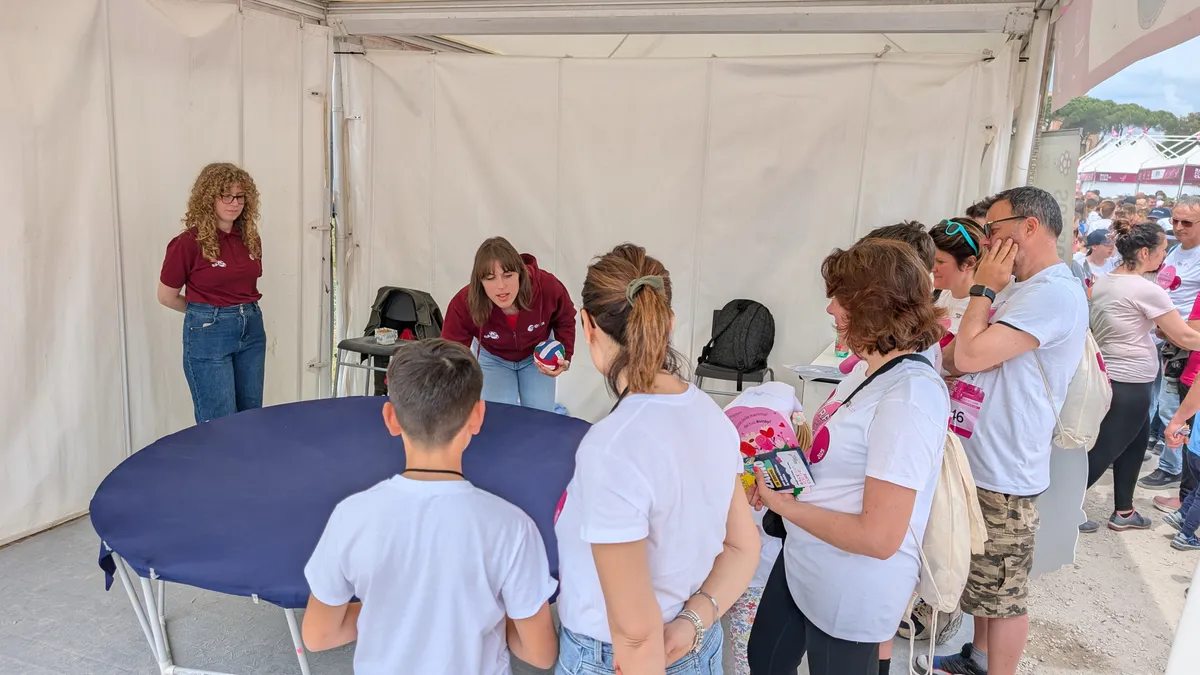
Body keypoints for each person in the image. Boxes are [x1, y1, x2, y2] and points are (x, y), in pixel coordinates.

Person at [553, 243, 760, 675]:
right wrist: (693, 621)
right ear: (668, 322)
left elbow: (635, 633)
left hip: (618, 659)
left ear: (587, 324)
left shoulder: (611, 446)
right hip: (692, 647)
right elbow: (742, 546)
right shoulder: (713, 416)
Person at [747, 239, 949, 675]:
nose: (830, 310)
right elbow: (836, 453)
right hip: (807, 559)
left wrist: (786, 505)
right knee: (764, 659)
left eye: (840, 299)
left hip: (849, 590)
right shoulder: (868, 367)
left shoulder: (908, 397)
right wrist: (780, 469)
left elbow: (879, 537)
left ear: (873, 305)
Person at [301, 339, 559, 674]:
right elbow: (541, 653)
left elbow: (319, 634)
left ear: (391, 418)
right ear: (478, 416)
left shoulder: (351, 516)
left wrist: (394, 609)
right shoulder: (512, 527)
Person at [930, 186, 1089, 675]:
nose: (988, 244)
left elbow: (971, 355)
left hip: (1006, 468)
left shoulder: (1053, 293)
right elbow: (958, 356)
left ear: (1030, 227)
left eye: (994, 232)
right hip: (979, 453)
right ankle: (977, 658)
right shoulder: (1024, 288)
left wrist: (983, 288)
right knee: (982, 582)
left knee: (1004, 591)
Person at [1082, 221, 1200, 534]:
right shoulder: (1147, 290)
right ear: (1145, 252)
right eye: (1162, 250)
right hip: (1130, 381)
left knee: (1133, 446)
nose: (1165, 256)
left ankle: (1124, 510)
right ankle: (1061, 507)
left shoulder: (1106, 280)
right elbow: (1185, 337)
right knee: (1104, 450)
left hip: (1115, 376)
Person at [158, 163, 266, 424]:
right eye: (225, 195)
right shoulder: (188, 243)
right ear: (209, 198)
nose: (234, 203)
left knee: (251, 415)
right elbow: (166, 296)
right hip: (210, 332)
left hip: (251, 326)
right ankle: (218, 466)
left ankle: (247, 466)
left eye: (240, 196)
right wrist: (208, 312)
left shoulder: (249, 238)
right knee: (219, 422)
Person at [442, 237, 576, 412]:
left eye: (508, 275)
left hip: (536, 356)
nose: (501, 286)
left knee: (541, 415)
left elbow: (565, 318)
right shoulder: (464, 303)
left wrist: (565, 356)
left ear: (520, 273)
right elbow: (450, 352)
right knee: (498, 417)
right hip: (493, 358)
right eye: (490, 278)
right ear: (479, 282)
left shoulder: (546, 286)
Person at [1144, 197, 1200, 494]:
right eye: (1175, 221)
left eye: (1186, 223)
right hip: (1161, 335)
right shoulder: (1177, 250)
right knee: (1154, 398)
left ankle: (1171, 467)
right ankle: (1154, 444)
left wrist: (1182, 333)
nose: (1178, 227)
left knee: (1170, 405)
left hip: (1182, 342)